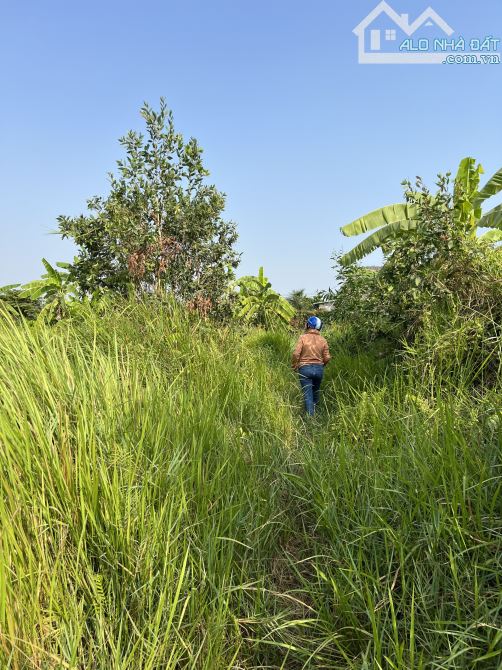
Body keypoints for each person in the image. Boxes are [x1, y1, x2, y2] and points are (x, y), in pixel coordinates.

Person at [292, 316, 331, 416]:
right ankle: (317, 414)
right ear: (319, 327)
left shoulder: (302, 337)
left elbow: (296, 354)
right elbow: (327, 357)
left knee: (307, 394)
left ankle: (310, 420)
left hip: (304, 369)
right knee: (315, 391)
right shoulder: (323, 340)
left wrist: (295, 365)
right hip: (319, 369)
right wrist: (322, 366)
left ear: (308, 325)